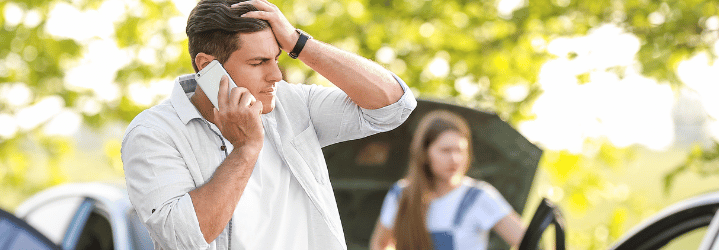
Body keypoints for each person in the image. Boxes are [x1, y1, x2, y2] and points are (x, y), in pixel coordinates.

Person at [120, 0, 416, 249]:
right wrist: (246, 149)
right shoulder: (153, 134)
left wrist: (300, 43)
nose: (276, 75)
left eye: (276, 57)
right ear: (207, 66)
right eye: (258, 62)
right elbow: (183, 239)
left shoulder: (292, 102)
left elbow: (393, 106)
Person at [369, 110, 525, 250]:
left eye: (460, 150)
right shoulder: (401, 194)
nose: (454, 159)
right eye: (445, 150)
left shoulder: (479, 196)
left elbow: (528, 242)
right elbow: (380, 244)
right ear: (425, 153)